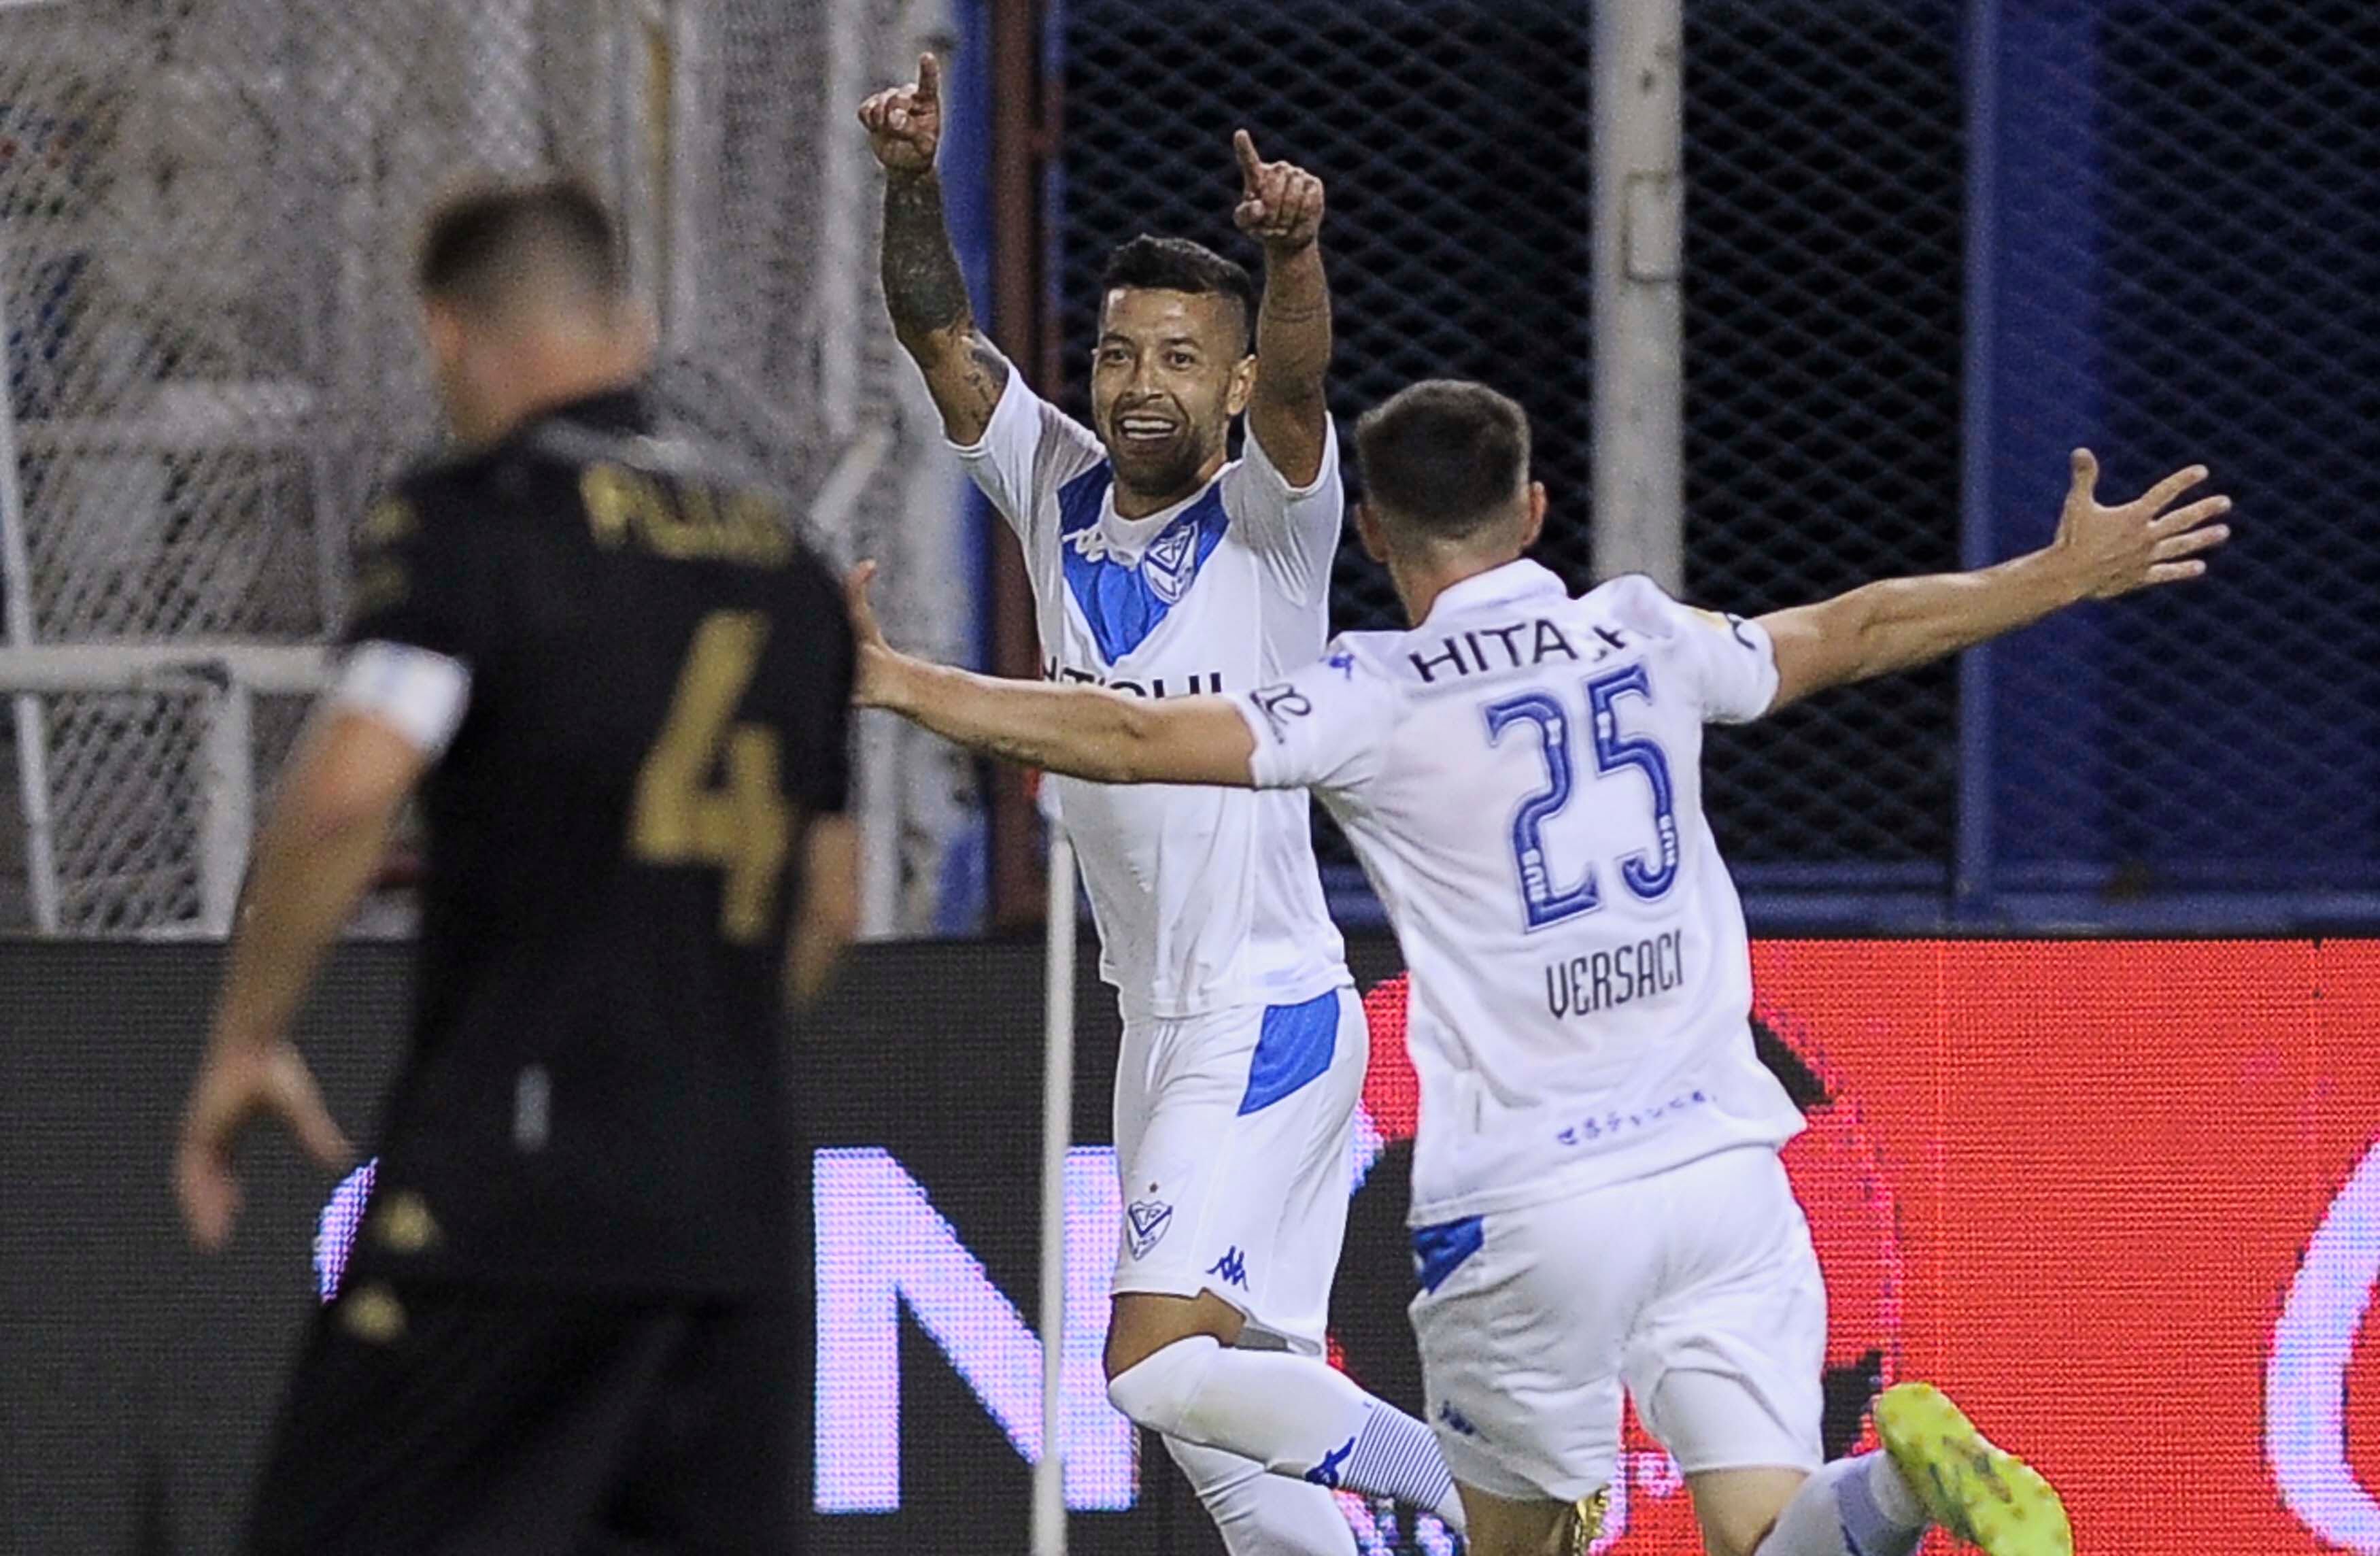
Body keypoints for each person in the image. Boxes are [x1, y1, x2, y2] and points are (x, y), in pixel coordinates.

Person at [843, 377, 2234, 1556]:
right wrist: (2061, 572)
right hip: (1722, 1169)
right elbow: (1858, 629)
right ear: (1534, 510)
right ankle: (1898, 1478)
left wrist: (906, 680)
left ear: (1373, 533)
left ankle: (1851, 1488)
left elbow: (1135, 741)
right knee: (1763, 1527)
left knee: (1516, 1538)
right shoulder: (1638, 630)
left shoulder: (1369, 694)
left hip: (1531, 1205)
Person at [173, 179, 859, 1555]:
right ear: (638, 324)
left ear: (448, 335)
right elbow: (827, 900)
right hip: (732, 1208)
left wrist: (248, 1034)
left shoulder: (475, 516)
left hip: (512, 1191)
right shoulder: (788, 558)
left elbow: (349, 791)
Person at [857, 54, 1467, 1553]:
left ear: (1233, 383)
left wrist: (1292, 252)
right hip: (1162, 1019)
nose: (1141, 384)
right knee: (1239, 1449)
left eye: (1181, 358)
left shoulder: (1271, 524)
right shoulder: (1056, 485)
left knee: (1151, 1367)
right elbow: (941, 334)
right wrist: (911, 184)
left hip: (1262, 1009)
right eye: (1122, 353)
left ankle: (1494, 1486)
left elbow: (1313, 377)